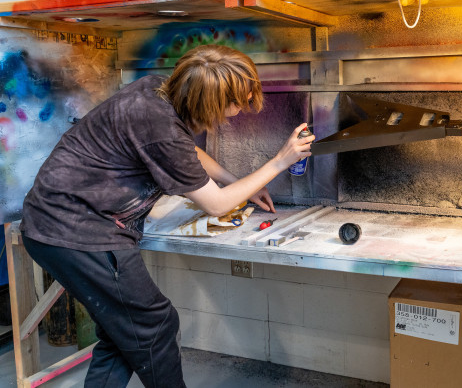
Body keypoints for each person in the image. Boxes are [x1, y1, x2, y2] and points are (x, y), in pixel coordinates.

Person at [19, 45, 313, 387]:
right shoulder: (162, 128)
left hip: (52, 220)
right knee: (154, 325)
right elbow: (216, 205)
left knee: (124, 331)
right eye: (238, 103)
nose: (241, 110)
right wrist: (280, 161)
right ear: (213, 102)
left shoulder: (158, 90)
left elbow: (188, 152)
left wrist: (237, 182)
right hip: (78, 232)